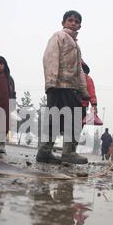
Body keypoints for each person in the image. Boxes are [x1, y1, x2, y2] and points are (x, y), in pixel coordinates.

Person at [36, 10, 90, 164]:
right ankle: (44, 151)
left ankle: (69, 152)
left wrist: (84, 91)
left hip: (71, 88)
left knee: (76, 118)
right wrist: (51, 83)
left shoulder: (76, 46)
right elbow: (50, 58)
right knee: (55, 118)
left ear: (80, 26)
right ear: (63, 23)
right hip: (58, 86)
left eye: (76, 21)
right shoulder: (59, 36)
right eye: (70, 20)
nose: (73, 23)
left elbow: (79, 70)